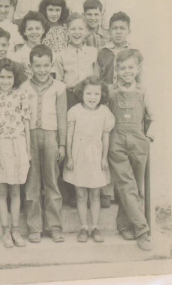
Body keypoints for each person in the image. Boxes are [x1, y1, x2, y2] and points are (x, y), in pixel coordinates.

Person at [19, 44, 67, 243]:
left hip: (50, 137)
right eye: (37, 66)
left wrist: (62, 144)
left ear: (51, 65)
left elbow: (62, 117)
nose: (42, 70)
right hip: (29, 137)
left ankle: (54, 226)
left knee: (52, 182)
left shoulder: (59, 87)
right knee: (32, 183)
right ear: (30, 66)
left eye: (46, 65)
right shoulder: (23, 87)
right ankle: (34, 227)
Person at [107, 49, 154, 251]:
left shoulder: (143, 91)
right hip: (116, 141)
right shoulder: (110, 92)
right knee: (127, 185)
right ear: (116, 70)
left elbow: (154, 116)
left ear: (138, 69)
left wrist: (149, 137)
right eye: (123, 68)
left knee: (137, 186)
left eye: (131, 67)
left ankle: (126, 225)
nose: (127, 71)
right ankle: (142, 231)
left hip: (138, 142)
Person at [0, 59, 30, 248]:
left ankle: (16, 229)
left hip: (17, 144)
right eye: (1, 77)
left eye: (9, 77)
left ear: (15, 78)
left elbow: (26, 124)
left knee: (15, 189)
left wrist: (27, 150)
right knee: (1, 190)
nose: (5, 81)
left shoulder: (21, 96)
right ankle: (5, 231)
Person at [64, 76, 115, 243]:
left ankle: (95, 227)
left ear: (102, 95)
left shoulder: (104, 112)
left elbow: (105, 137)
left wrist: (104, 158)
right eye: (88, 93)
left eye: (96, 94)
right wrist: (70, 158)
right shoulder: (75, 111)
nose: (92, 97)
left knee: (95, 194)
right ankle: (83, 227)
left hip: (96, 157)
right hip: (79, 156)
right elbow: (69, 138)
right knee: (80, 194)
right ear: (81, 93)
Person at [55, 13, 99, 111]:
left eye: (80, 29)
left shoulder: (93, 52)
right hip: (70, 97)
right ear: (66, 31)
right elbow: (58, 81)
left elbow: (97, 77)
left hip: (90, 97)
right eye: (73, 29)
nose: (77, 32)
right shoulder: (61, 55)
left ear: (86, 31)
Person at [97, 12, 133, 85]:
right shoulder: (101, 52)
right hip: (106, 94)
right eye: (115, 28)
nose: (118, 32)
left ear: (129, 32)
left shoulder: (133, 52)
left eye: (122, 28)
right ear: (109, 31)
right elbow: (97, 79)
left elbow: (140, 82)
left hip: (127, 95)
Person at [11, 11, 49, 78]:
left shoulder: (50, 53)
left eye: (37, 28)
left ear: (43, 30)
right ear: (24, 31)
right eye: (30, 29)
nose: (34, 32)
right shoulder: (17, 56)